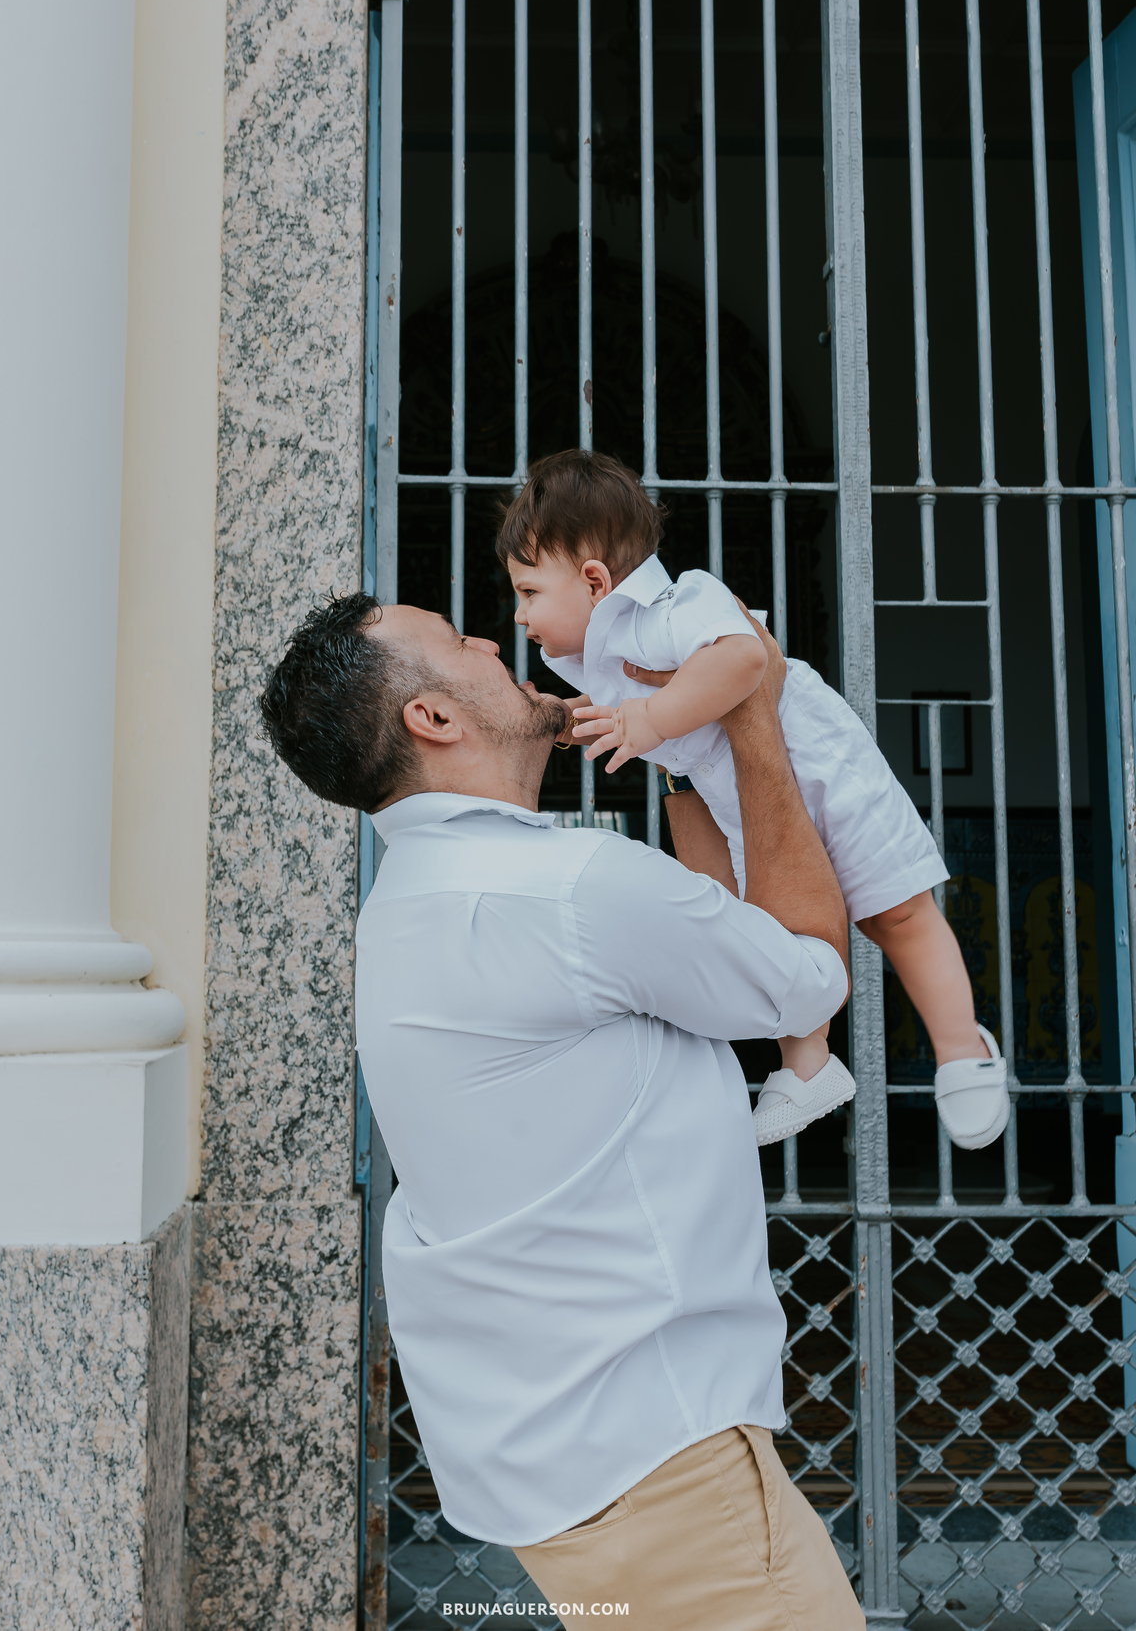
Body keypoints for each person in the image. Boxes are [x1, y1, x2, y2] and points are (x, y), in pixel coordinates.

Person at [260, 589, 865, 1628]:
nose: (493, 639)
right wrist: (751, 709)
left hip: (551, 1464)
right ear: (433, 720)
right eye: (458, 643)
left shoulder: (411, 905)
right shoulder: (572, 888)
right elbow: (808, 979)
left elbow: (687, 939)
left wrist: (679, 752)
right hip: (664, 1462)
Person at [497, 447, 1008, 1154]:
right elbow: (621, 712)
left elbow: (743, 659)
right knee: (783, 929)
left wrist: (649, 719)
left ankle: (961, 1046)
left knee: (897, 910)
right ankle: (808, 1066)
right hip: (740, 792)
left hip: (820, 763)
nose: (518, 612)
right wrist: (559, 717)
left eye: (527, 591)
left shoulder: (681, 602)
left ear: (593, 579)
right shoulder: (602, 657)